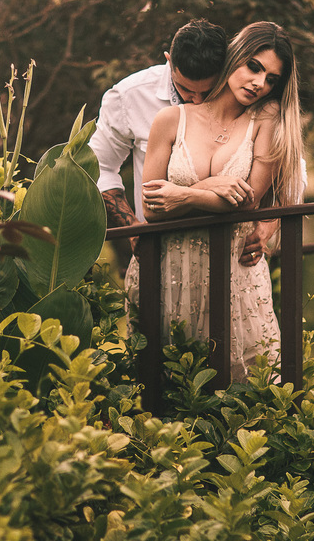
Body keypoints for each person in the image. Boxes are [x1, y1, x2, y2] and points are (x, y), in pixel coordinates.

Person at [129, 21, 304, 380]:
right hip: (168, 270)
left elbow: (248, 200)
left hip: (233, 273)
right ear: (234, 57)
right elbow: (151, 208)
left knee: (250, 389)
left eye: (271, 78)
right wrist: (212, 186)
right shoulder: (170, 120)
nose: (259, 83)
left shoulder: (267, 118)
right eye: (254, 67)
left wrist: (184, 194)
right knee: (163, 391)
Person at [89, 19, 277, 267]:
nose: (197, 101)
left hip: (234, 257)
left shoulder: (246, 97)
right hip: (162, 250)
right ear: (169, 60)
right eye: (186, 89)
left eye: (208, 91)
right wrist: (133, 228)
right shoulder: (129, 96)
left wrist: (268, 226)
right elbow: (99, 167)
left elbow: (288, 170)